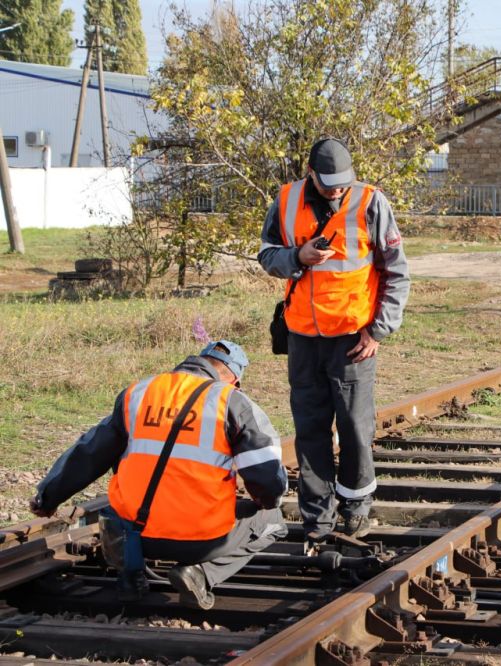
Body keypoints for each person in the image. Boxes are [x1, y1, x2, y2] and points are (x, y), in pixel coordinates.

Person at [29, 340, 288, 610]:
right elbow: (266, 476)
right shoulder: (232, 401)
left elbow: (90, 453)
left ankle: (130, 577)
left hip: (136, 537)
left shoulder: (138, 394)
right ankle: (202, 573)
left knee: (114, 507)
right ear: (233, 377)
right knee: (273, 520)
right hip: (201, 541)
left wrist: (48, 498)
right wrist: (265, 502)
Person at [258, 138, 410, 550]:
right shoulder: (286, 200)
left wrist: (378, 330)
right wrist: (297, 257)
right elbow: (266, 254)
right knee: (309, 431)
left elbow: (396, 273)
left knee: (355, 428)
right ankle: (317, 517)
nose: (337, 192)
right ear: (311, 173)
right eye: (329, 186)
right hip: (303, 337)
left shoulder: (370, 202)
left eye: (343, 184)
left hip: (353, 339)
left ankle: (356, 505)